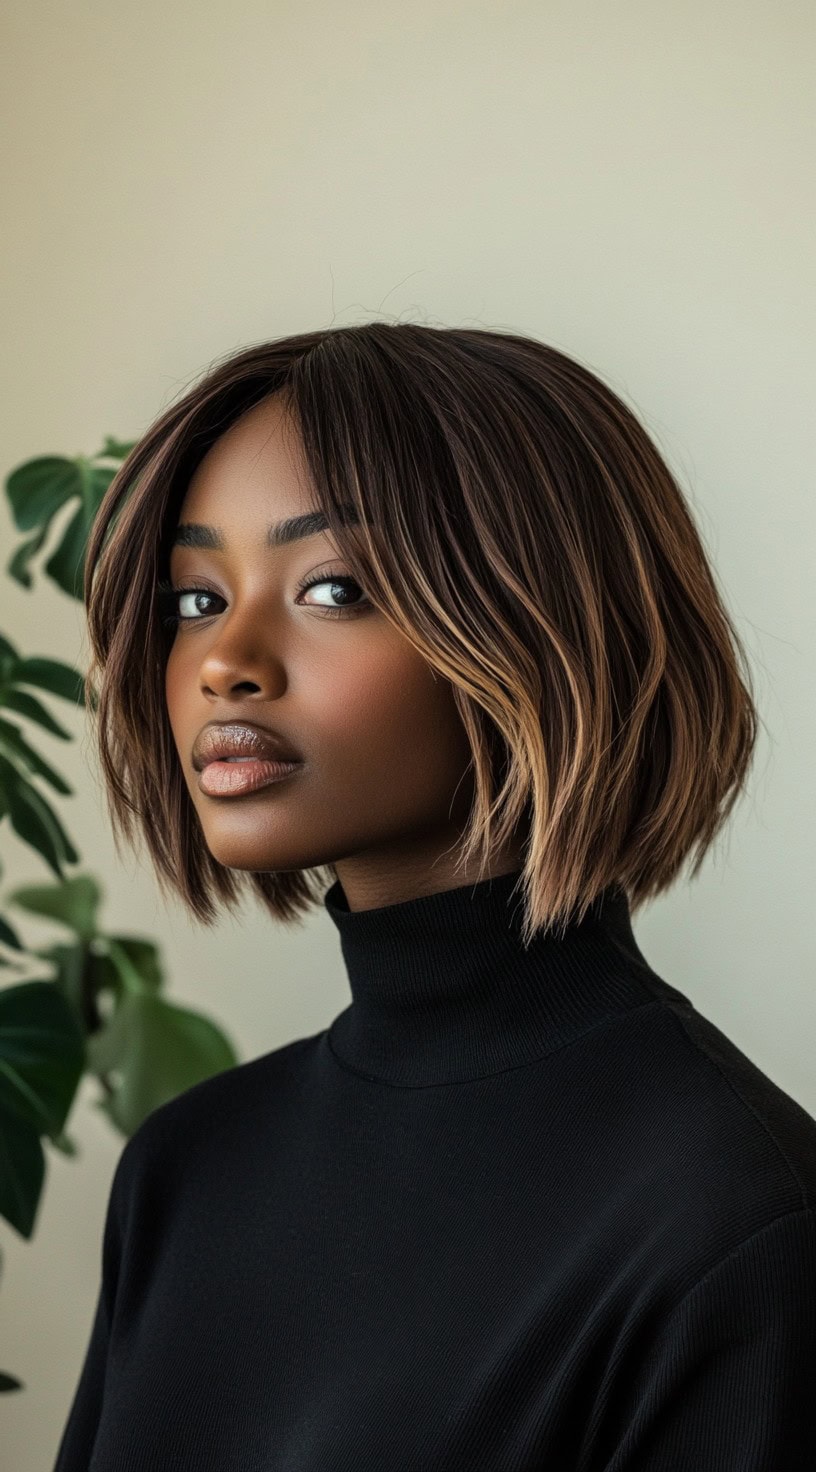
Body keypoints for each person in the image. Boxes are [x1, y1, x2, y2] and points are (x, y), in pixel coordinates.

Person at [55, 323, 816, 1469]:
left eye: (333, 585)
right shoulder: (185, 1168)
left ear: (543, 621)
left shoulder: (740, 1222)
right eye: (196, 600)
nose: (223, 662)